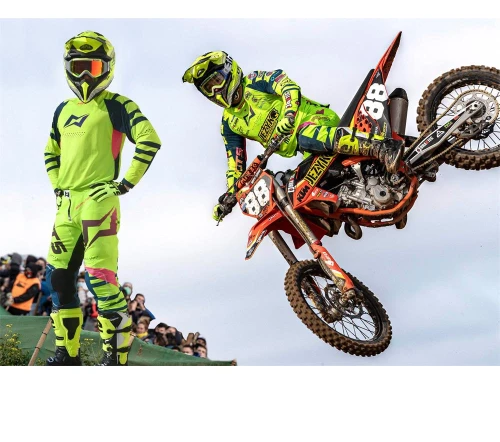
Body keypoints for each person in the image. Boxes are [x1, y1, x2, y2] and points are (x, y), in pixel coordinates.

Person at [43, 31, 162, 366]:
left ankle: (115, 359)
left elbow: (149, 139)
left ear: (107, 68)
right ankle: (67, 355)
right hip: (66, 205)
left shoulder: (117, 104)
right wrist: (58, 187)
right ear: (68, 67)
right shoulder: (62, 110)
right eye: (78, 67)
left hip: (99, 200)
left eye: (93, 67)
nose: (85, 75)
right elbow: (51, 152)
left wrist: (124, 185)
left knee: (100, 279)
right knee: (58, 280)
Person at [182, 52, 404, 221]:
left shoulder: (254, 81)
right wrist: (230, 196)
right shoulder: (229, 123)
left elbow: (287, 86)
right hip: (306, 150)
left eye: (216, 81)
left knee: (304, 135)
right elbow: (235, 165)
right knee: (302, 190)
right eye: (208, 89)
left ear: (229, 70)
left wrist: (289, 114)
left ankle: (381, 147)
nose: (215, 91)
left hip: (316, 120)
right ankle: (363, 202)